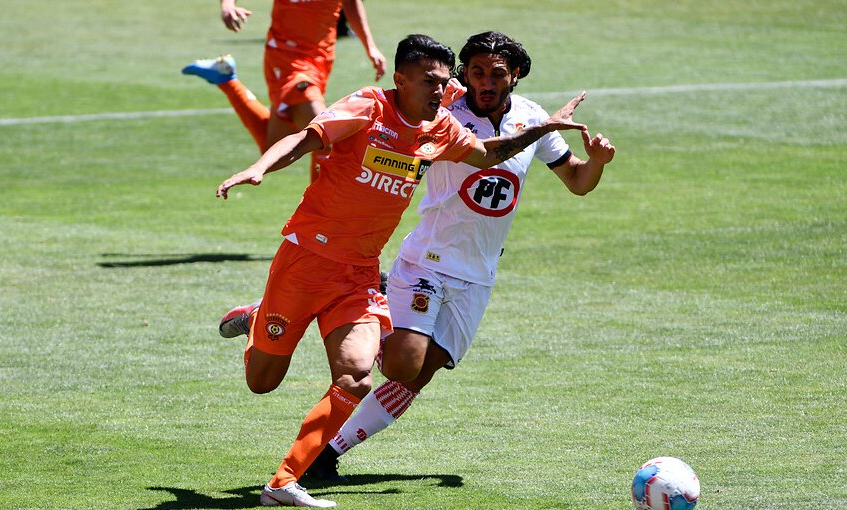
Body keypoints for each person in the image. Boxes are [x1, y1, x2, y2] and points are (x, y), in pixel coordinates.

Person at [214, 34, 590, 507]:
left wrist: (548, 128)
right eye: (433, 82)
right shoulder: (369, 107)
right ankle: (264, 316)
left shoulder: (442, 130)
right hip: (309, 258)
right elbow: (305, 138)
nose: (442, 91)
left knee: (368, 375)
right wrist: (260, 167)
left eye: (443, 82)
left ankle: (289, 478)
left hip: (363, 271)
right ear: (401, 80)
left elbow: (492, 154)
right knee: (262, 382)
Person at [298, 31, 615, 481]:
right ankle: (326, 306)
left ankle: (326, 455)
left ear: (515, 76)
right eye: (476, 72)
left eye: (496, 73)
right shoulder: (443, 111)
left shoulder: (531, 117)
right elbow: (443, 142)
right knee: (403, 361)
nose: (485, 82)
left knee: (417, 377)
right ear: (463, 75)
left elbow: (579, 182)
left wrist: (597, 160)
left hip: (478, 275)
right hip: (427, 261)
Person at [183, 0, 387, 181]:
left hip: (320, 59)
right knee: (325, 137)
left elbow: (351, 2)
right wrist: (227, 4)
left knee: (272, 147)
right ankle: (318, 216)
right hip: (287, 59)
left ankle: (226, 79)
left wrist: (370, 46)